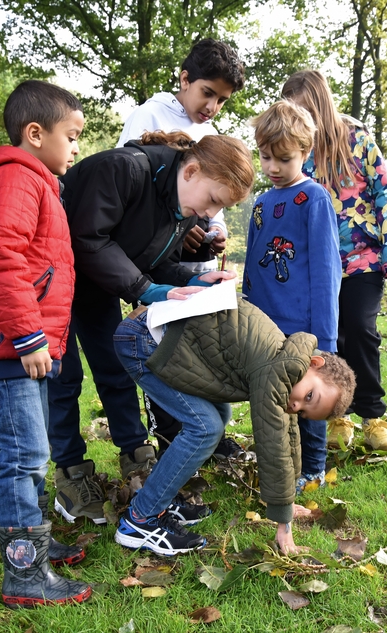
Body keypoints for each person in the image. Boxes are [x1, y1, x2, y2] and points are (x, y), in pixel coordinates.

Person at [49, 130, 255, 525]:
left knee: (115, 370)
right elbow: (89, 239)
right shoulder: (122, 170)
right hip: (54, 283)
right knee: (63, 377)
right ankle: (71, 472)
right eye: (213, 200)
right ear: (191, 171)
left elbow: (152, 263)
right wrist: (145, 290)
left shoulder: (182, 205)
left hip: (98, 288)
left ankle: (136, 457)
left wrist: (192, 281)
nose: (210, 213)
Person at [0, 80, 91, 608]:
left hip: (24, 346)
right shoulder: (14, 177)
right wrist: (29, 336)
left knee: (33, 450)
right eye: (71, 136)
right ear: (36, 133)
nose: (76, 147)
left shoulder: (37, 182)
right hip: (10, 345)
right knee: (24, 453)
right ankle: (25, 573)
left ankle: (32, 538)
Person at [113, 297, 356, 555]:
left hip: (159, 335)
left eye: (304, 411)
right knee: (205, 429)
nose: (296, 406)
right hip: (144, 341)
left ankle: (162, 498)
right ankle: (140, 519)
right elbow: (273, 447)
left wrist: (287, 501)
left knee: (220, 412)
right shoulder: (276, 371)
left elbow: (289, 434)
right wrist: (283, 523)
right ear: (314, 364)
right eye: (309, 396)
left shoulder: (289, 361)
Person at [112, 38, 245, 461]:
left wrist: (215, 229)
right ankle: (171, 433)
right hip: (152, 261)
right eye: (208, 93)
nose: (212, 107)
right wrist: (176, 229)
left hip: (193, 263)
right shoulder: (148, 116)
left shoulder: (210, 134)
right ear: (184, 79)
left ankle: (207, 430)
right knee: (158, 346)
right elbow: (135, 192)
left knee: (196, 346)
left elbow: (215, 197)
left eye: (222, 100)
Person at [281, 69, 387, 453]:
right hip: (316, 267)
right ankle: (339, 416)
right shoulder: (298, 153)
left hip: (362, 260)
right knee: (327, 339)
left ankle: (374, 418)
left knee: (359, 329)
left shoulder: (359, 141)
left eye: (303, 111)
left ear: (319, 103)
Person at [244, 100, 341, 493]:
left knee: (307, 398)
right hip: (263, 324)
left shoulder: (314, 198)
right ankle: (281, 463)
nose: (272, 167)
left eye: (284, 159)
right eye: (265, 157)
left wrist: (325, 337)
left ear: (305, 152)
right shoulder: (261, 202)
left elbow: (326, 270)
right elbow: (252, 265)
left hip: (304, 328)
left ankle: (313, 467)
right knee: (274, 399)